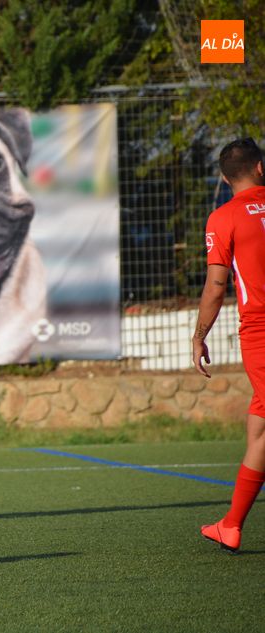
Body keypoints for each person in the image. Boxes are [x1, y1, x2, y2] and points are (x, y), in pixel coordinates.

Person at [194, 137, 265, 552]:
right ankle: (231, 524)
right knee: (258, 425)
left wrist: (199, 336)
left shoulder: (223, 217)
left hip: (259, 330)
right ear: (260, 167)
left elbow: (216, 285)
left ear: (224, 177)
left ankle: (232, 523)